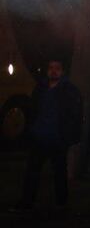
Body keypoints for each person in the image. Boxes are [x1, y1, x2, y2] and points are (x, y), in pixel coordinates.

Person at [12, 58, 83, 211]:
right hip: (39, 135)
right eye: (51, 68)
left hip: (57, 137)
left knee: (58, 172)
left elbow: (75, 115)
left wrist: (69, 136)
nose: (53, 71)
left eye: (57, 68)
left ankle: (60, 202)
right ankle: (28, 201)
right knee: (33, 171)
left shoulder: (69, 90)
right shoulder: (41, 88)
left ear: (62, 71)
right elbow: (33, 109)